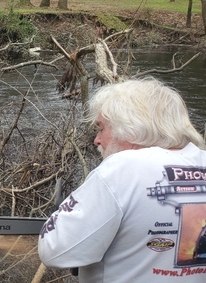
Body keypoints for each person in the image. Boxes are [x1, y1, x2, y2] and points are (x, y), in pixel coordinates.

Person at [38, 77, 206, 282]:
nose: (97, 140)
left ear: (129, 127)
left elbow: (55, 250)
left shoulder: (123, 168)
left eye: (101, 127)